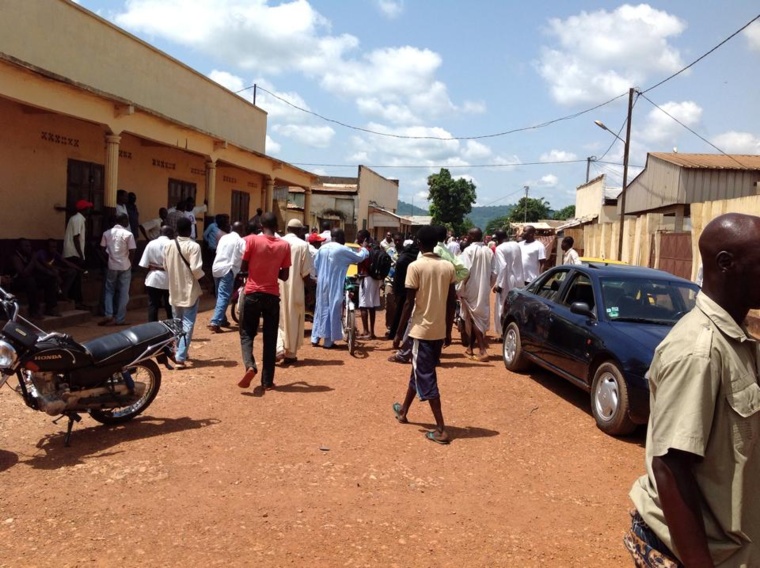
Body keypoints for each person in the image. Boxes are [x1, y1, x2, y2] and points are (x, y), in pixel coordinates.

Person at [626, 213, 760, 567]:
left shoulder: (738, 340)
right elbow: (670, 466)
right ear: (726, 264)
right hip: (702, 555)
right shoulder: (698, 351)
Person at [392, 225, 456, 445]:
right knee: (418, 370)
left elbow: (408, 303)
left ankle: (441, 428)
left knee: (426, 376)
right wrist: (448, 331)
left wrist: (399, 334)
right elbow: (451, 303)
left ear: (418, 244)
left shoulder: (415, 266)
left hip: (421, 331)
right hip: (438, 331)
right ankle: (403, 411)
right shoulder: (448, 267)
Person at [237, 213, 291, 392]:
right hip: (272, 296)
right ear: (277, 226)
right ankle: (267, 381)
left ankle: (250, 365)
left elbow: (244, 267)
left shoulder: (252, 240)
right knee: (270, 338)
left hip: (252, 293)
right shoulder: (284, 245)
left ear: (261, 225)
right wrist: (272, 269)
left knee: (246, 334)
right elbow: (284, 276)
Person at [311, 228, 368, 349]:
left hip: (321, 283)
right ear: (341, 238)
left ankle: (315, 338)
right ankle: (328, 341)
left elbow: (315, 266)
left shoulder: (322, 248)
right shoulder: (342, 249)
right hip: (335, 283)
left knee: (320, 308)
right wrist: (364, 248)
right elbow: (359, 257)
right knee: (333, 308)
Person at [164, 216, 204, 369]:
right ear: (190, 230)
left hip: (174, 289)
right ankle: (180, 356)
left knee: (177, 323)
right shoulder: (194, 247)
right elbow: (195, 269)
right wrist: (204, 280)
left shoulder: (169, 245)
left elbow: (165, 266)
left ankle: (178, 351)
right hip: (189, 290)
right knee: (187, 324)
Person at [275, 219, 313, 364]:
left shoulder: (278, 242)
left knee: (279, 317)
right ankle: (290, 354)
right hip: (295, 287)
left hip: (277, 285)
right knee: (294, 318)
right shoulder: (303, 245)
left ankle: (278, 348)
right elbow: (306, 273)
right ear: (299, 231)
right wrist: (310, 291)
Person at [98, 212, 135, 326]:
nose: (128, 222)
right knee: (124, 293)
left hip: (112, 265)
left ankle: (108, 314)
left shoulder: (106, 233)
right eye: (127, 220)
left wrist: (107, 260)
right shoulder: (128, 234)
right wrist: (131, 263)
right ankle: (120, 319)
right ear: (123, 221)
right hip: (125, 265)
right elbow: (132, 250)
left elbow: (101, 248)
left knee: (109, 290)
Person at [208, 220, 245, 333]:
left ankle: (222, 319)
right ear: (241, 230)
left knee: (220, 295)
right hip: (228, 269)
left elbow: (218, 251)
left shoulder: (223, 238)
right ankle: (215, 321)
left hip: (216, 268)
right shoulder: (240, 241)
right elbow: (244, 255)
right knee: (224, 296)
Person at [10, 239, 60, 318]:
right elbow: (23, 273)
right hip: (14, 282)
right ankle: (34, 311)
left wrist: (52, 274)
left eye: (30, 246)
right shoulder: (15, 257)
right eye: (26, 246)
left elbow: (40, 267)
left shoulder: (29, 255)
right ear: (19, 247)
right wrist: (33, 260)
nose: (29, 248)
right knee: (30, 281)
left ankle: (50, 308)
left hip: (28, 280)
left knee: (49, 279)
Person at [138, 225, 173, 322]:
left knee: (153, 305)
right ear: (170, 234)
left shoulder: (151, 244)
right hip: (169, 279)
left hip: (153, 278)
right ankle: (173, 330)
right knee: (170, 306)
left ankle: (151, 330)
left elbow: (143, 264)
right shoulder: (173, 244)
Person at [34, 239, 82, 308]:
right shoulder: (42, 253)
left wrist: (79, 269)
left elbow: (66, 262)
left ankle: (63, 293)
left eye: (55, 247)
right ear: (47, 247)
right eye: (51, 247)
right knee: (55, 272)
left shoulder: (55, 253)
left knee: (72, 272)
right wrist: (57, 274)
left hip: (53, 272)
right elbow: (46, 265)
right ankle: (54, 298)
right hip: (42, 273)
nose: (53, 249)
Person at [62, 199, 92, 309]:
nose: (89, 209)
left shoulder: (75, 218)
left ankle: (75, 300)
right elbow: (76, 238)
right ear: (84, 209)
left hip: (71, 252)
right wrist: (81, 255)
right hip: (73, 253)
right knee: (77, 279)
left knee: (76, 278)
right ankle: (77, 301)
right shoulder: (78, 219)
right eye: (88, 207)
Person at [492, 236, 524, 338]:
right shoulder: (516, 245)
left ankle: (503, 333)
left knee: (502, 306)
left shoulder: (500, 248)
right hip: (518, 280)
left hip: (506, 281)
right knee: (515, 306)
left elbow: (503, 266)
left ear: (497, 240)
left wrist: (499, 285)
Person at [356, 229, 381, 339]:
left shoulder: (363, 250)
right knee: (372, 306)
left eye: (359, 238)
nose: (358, 240)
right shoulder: (375, 248)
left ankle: (366, 331)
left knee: (363, 305)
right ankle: (372, 332)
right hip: (375, 279)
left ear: (364, 239)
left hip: (366, 279)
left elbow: (360, 264)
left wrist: (358, 274)